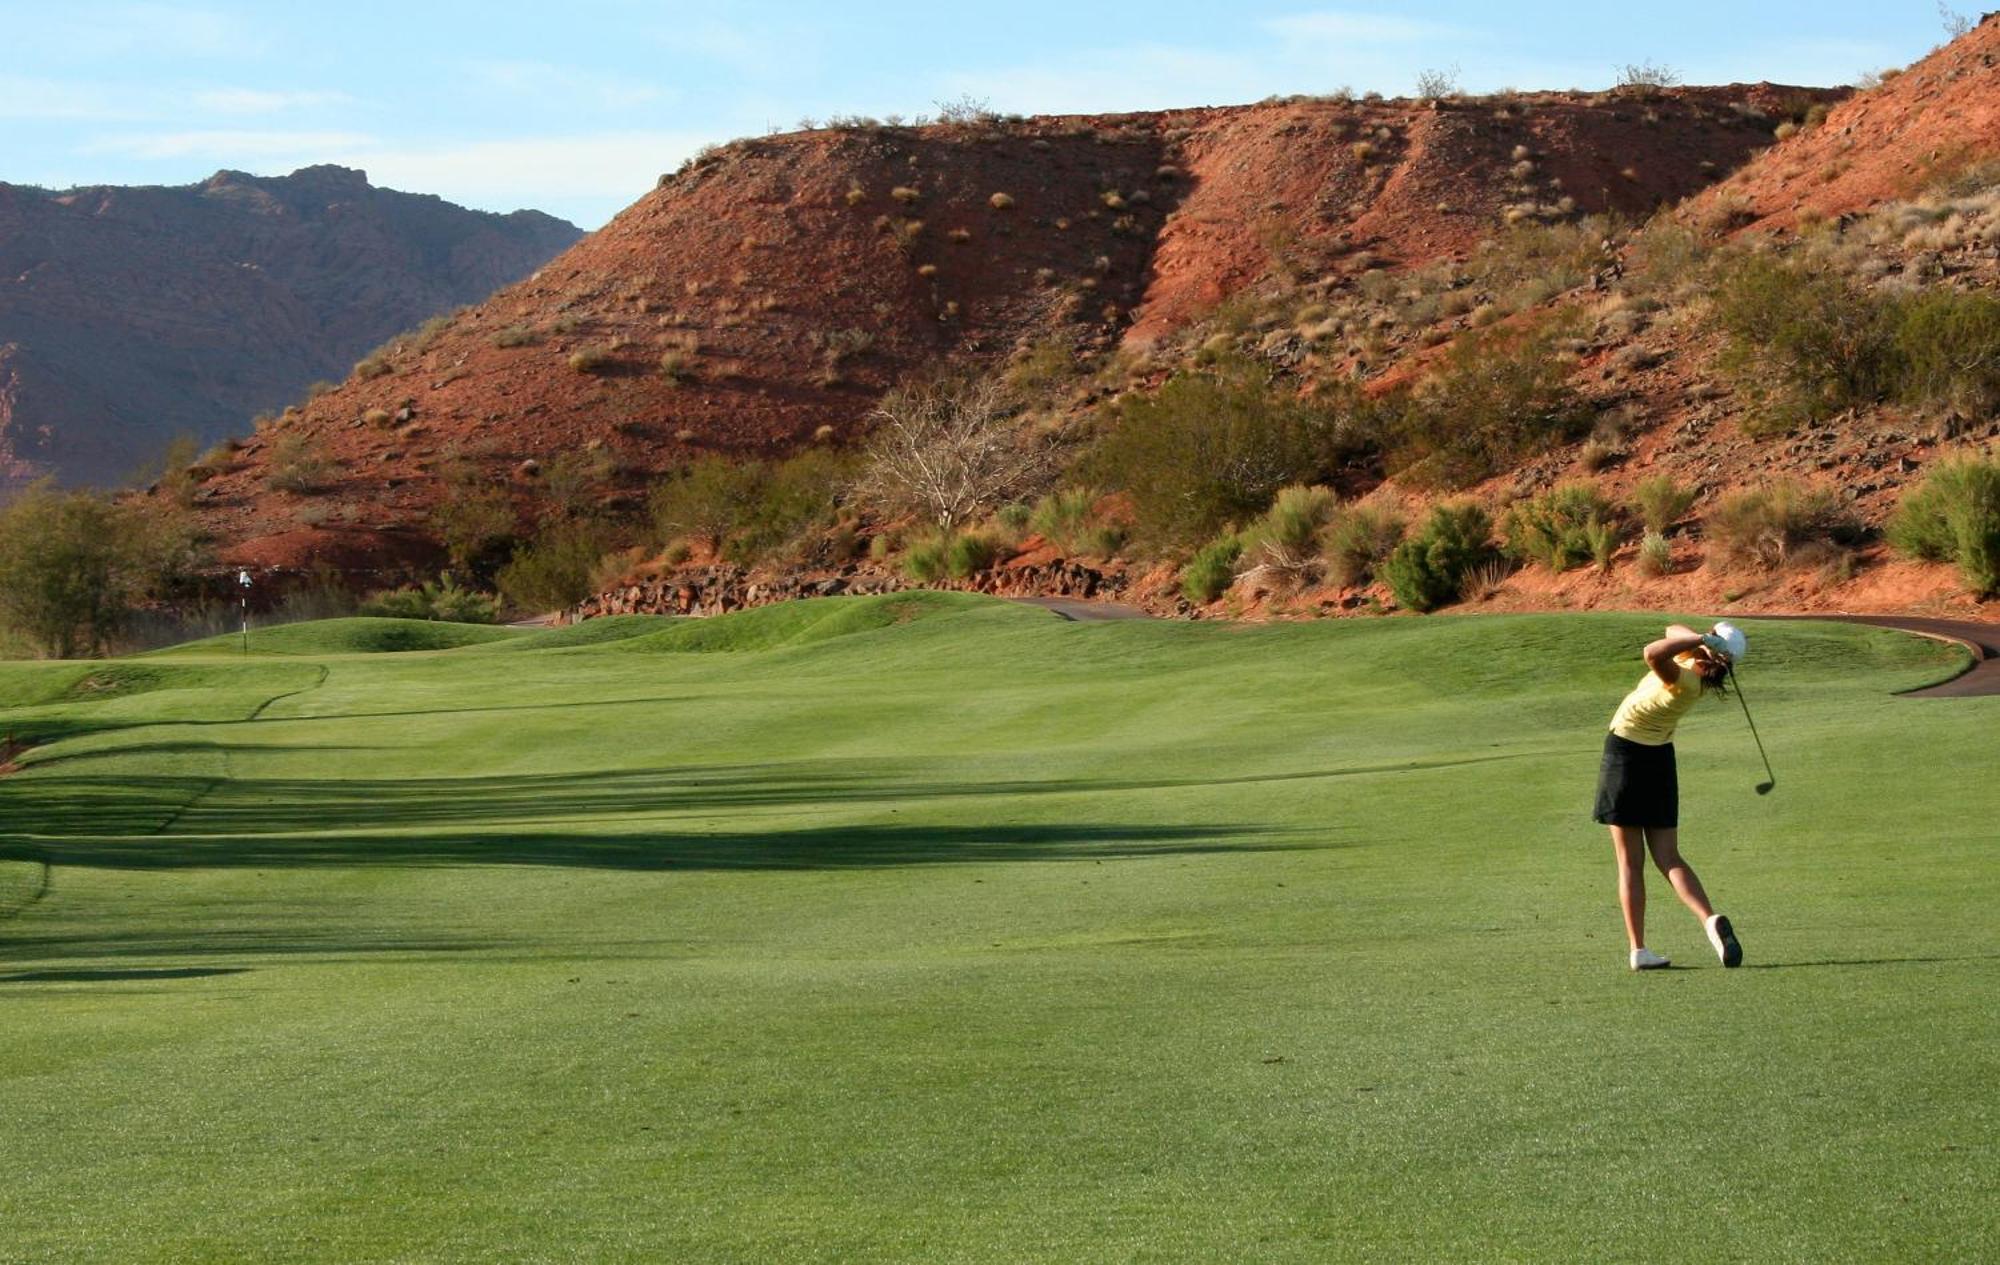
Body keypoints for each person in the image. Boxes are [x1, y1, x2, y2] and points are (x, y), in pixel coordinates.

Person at [1592, 622, 1745, 971]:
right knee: (1669, 857)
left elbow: (1651, 651)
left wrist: (1702, 641)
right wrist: (1704, 640)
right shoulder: (1696, 673)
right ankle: (1710, 920)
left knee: (1630, 862)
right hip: (1659, 760)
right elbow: (1671, 627)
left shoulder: (1683, 679)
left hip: (1626, 757)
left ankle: (1639, 950)